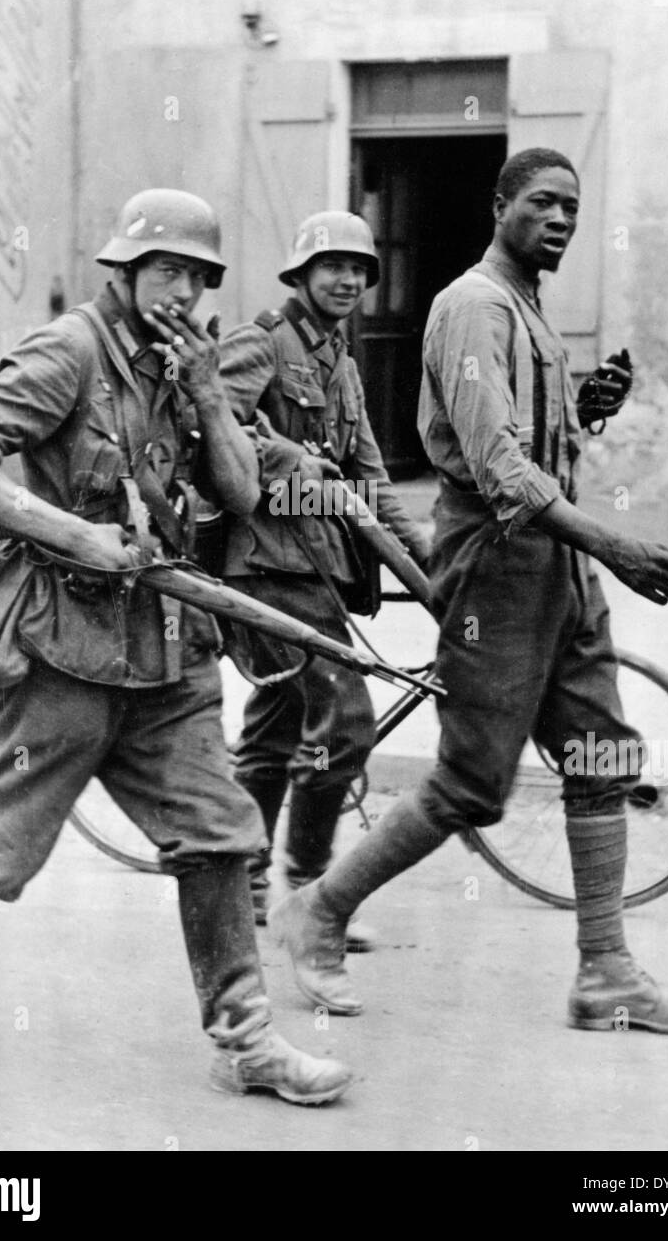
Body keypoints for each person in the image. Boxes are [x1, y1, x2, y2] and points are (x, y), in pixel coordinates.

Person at [0, 189, 351, 1106]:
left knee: (219, 831)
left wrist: (212, 398)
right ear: (127, 271)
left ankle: (248, 1041)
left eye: (196, 275)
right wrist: (72, 533)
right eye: (164, 270)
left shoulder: (189, 364)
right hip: (65, 643)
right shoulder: (70, 351)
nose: (180, 289)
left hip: (168, 650)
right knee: (5, 833)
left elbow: (241, 496)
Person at [269, 149, 668, 1036]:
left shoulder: (529, 314)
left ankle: (606, 971)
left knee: (599, 753)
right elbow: (500, 468)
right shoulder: (470, 306)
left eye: (573, 209)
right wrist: (615, 544)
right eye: (542, 203)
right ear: (500, 205)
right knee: (475, 781)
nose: (560, 220)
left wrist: (583, 412)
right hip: (499, 564)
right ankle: (317, 909)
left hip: (556, 564)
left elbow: (532, 442)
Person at [217, 211, 430, 947]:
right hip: (265, 565)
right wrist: (284, 460)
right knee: (345, 721)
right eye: (331, 267)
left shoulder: (340, 362)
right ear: (301, 275)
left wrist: (428, 557)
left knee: (277, 729)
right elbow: (203, 424)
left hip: (317, 569)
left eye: (358, 270)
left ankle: (243, 890)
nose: (346, 280)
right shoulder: (262, 342)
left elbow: (370, 476)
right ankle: (310, 894)